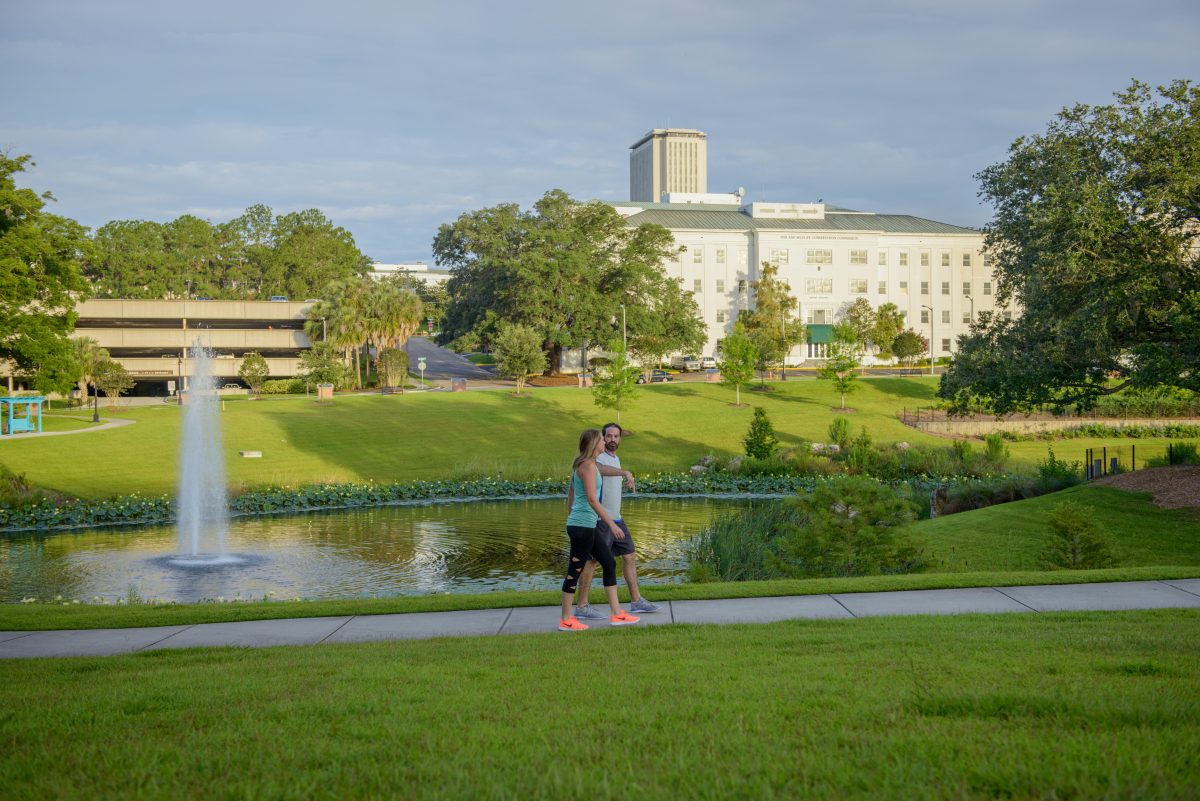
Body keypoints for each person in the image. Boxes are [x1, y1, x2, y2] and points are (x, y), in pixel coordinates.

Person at [573, 422, 661, 620]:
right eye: (609, 436)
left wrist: (625, 475)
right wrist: (625, 473)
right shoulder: (598, 457)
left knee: (629, 555)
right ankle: (582, 605)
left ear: (620, 439)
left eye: (616, 436)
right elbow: (599, 469)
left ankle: (636, 601)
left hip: (617, 519)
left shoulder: (615, 458)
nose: (612, 440)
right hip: (601, 520)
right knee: (593, 562)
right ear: (602, 439)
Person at [558, 428, 641, 631]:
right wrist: (611, 524)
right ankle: (566, 619)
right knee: (574, 571)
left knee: (608, 562)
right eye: (603, 440)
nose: (606, 442)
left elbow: (570, 494)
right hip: (583, 526)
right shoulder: (586, 466)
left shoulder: (588, 464)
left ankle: (616, 614)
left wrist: (571, 516)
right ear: (595, 444)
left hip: (587, 524)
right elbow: (592, 499)